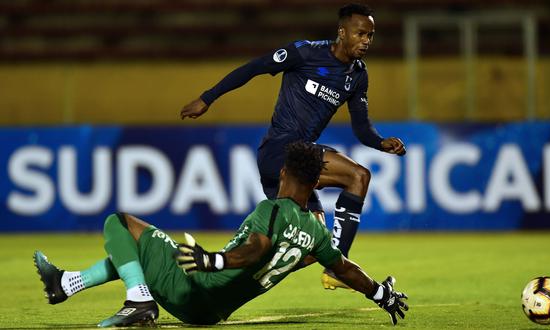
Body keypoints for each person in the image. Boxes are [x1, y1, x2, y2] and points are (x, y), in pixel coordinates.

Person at [34, 142, 408, 327]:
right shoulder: (316, 232)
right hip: (211, 314)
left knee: (120, 223)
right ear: (315, 184)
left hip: (194, 287)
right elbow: (343, 268)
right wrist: (380, 293)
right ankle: (67, 284)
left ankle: (140, 301)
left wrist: (211, 259)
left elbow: (255, 249)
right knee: (140, 253)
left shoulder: (272, 210)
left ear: (283, 174)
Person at [180, 3, 406, 290]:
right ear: (342, 32)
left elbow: (361, 125)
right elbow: (255, 67)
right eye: (360, 34)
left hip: (299, 161)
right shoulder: (305, 52)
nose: (366, 41)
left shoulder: (358, 75)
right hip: (281, 151)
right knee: (358, 176)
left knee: (310, 248)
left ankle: (223, 274)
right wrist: (207, 98)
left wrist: (379, 142)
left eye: (370, 36)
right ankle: (339, 266)